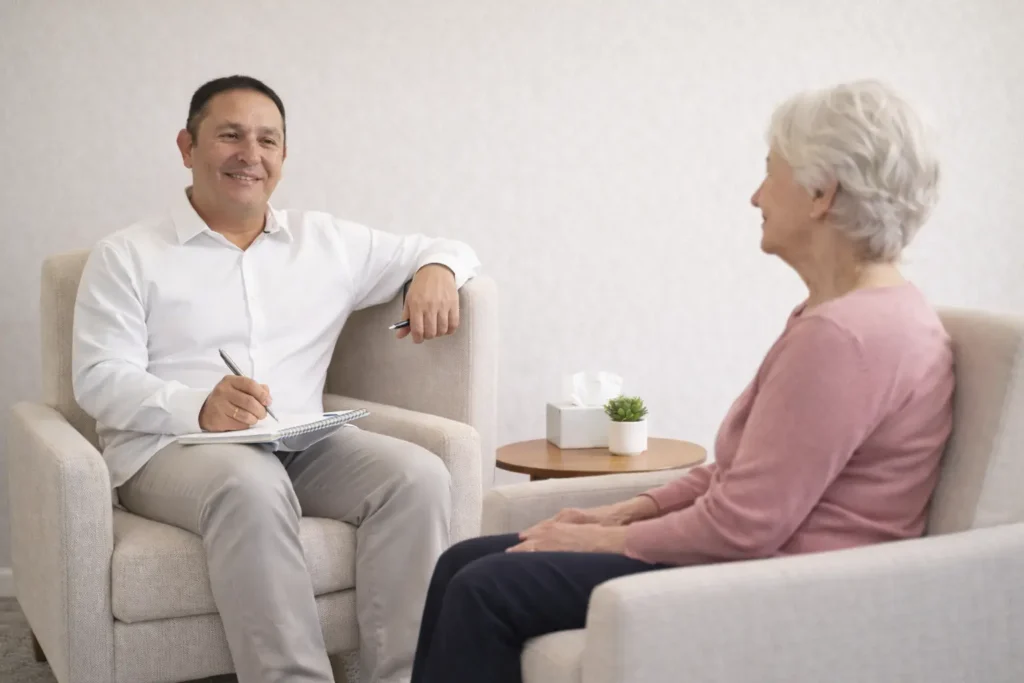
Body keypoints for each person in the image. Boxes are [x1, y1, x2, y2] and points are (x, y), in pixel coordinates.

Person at [409, 79, 955, 683]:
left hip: (789, 583)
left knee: (485, 589)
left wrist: (600, 543)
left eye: (771, 173)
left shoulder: (846, 338)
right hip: (772, 558)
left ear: (823, 192)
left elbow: (743, 526)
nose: (755, 196)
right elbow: (743, 475)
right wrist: (621, 512)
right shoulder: (855, 314)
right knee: (463, 560)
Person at [71, 75, 481, 683]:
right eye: (229, 135)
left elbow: (444, 244)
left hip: (298, 440)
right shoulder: (127, 254)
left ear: (284, 157)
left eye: (268, 140)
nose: (250, 154)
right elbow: (98, 378)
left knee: (417, 476)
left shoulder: (327, 243)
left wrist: (439, 268)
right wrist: (195, 406)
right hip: (170, 449)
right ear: (187, 147)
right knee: (249, 485)